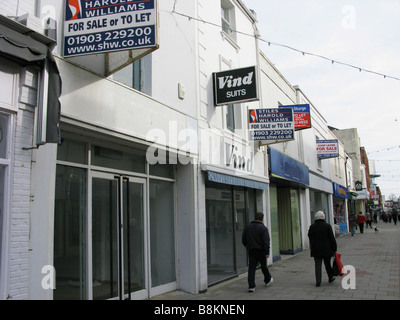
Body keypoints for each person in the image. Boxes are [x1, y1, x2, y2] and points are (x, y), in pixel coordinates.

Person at [242, 212, 273, 292]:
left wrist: (248, 246)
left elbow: (243, 239)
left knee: (251, 268)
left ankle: (251, 286)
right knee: (263, 266)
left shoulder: (247, 227)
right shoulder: (263, 228)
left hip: (251, 250)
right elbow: (266, 241)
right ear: (262, 219)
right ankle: (267, 279)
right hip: (261, 250)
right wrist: (267, 252)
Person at [308, 211, 337, 287]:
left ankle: (318, 281)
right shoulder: (327, 226)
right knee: (327, 264)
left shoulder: (312, 226)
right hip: (326, 249)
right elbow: (332, 238)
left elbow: (309, 236)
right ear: (323, 217)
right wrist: (334, 248)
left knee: (317, 265)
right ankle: (330, 277)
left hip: (316, 249)